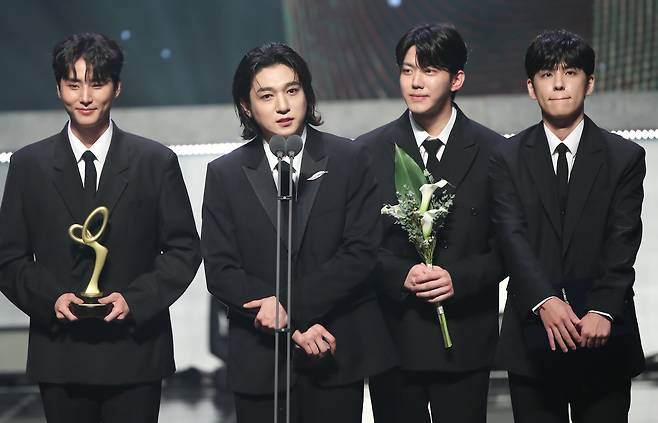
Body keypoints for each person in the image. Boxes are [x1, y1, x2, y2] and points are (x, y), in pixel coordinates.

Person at [0, 33, 201, 423]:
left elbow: (183, 250)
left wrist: (135, 299)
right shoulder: (28, 165)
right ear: (59, 89)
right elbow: (8, 257)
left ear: (117, 87)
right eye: (74, 85)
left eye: (97, 83)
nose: (85, 97)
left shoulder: (155, 161)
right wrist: (51, 298)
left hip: (136, 350)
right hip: (60, 351)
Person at [201, 42, 395, 423]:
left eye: (292, 90)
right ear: (245, 105)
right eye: (267, 95)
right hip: (261, 360)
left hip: (334, 344)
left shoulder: (349, 158)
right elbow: (221, 270)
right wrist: (286, 323)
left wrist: (291, 309)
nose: (283, 106)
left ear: (307, 92)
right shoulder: (224, 174)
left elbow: (359, 253)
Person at [490, 29, 645, 422]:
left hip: (605, 337)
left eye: (570, 72)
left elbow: (623, 239)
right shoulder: (506, 157)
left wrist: (603, 310)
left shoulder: (624, 156)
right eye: (546, 74)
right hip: (531, 337)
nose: (558, 83)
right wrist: (546, 300)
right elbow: (511, 236)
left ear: (589, 82)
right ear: (531, 87)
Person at [356, 24, 505, 423]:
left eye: (429, 71)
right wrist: (399, 274)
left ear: (457, 79)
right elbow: (354, 244)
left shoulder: (495, 152)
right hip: (392, 335)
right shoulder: (367, 152)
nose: (415, 82)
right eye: (407, 70)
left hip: (465, 337)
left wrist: (460, 278)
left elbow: (509, 246)